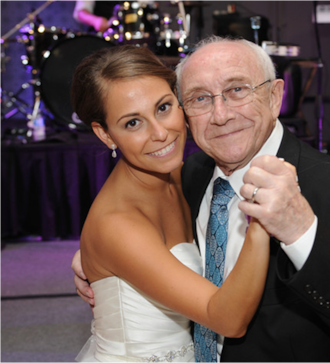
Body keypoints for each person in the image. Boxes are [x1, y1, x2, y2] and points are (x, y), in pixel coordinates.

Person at [73, 36, 330, 362]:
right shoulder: (189, 176)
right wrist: (98, 260)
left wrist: (301, 231)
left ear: (275, 96)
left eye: (237, 90)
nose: (220, 115)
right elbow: (133, 235)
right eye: (200, 98)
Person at [70, 44, 270, 363]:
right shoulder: (117, 224)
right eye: (132, 123)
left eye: (163, 107)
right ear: (105, 134)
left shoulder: (183, 175)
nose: (161, 133)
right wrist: (262, 220)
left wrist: (92, 259)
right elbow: (228, 320)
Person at [73, 0, 155, 33]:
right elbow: (81, 12)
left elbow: (149, 6)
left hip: (138, 37)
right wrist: (96, 21)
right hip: (104, 38)